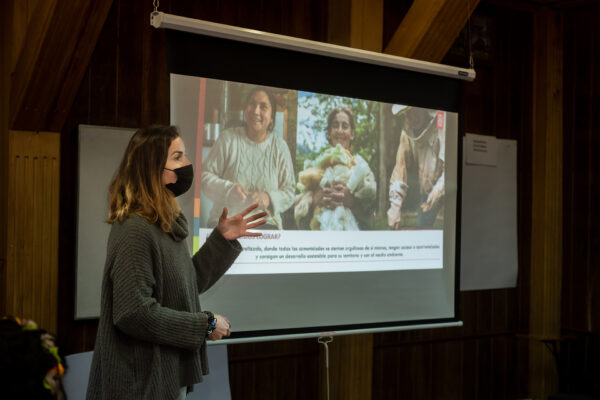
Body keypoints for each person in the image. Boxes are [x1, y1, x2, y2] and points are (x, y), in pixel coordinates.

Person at [86, 125, 266, 400]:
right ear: (153, 168)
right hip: (140, 383)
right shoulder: (135, 228)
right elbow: (133, 313)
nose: (188, 164)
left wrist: (221, 239)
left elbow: (185, 283)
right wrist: (203, 324)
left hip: (164, 375)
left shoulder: (162, 223)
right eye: (178, 157)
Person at [201, 87, 295, 229]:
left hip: (266, 225)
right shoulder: (228, 139)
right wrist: (228, 190)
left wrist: (269, 198)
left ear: (272, 118)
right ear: (245, 110)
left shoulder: (280, 147)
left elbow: (289, 192)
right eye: (252, 104)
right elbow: (204, 177)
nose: (256, 111)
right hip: (226, 222)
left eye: (263, 107)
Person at [294, 107, 377, 230]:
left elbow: (372, 219)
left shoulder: (362, 169)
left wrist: (352, 202)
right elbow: (300, 219)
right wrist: (314, 200)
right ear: (328, 133)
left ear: (352, 134)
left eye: (345, 126)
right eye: (335, 125)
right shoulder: (315, 167)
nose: (340, 131)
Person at [387, 106, 445, 229]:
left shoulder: (443, 122)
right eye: (407, 114)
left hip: (449, 190)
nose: (412, 117)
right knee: (423, 228)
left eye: (414, 110)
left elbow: (451, 169)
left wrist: (438, 191)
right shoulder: (406, 133)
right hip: (426, 192)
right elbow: (400, 167)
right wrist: (395, 206)